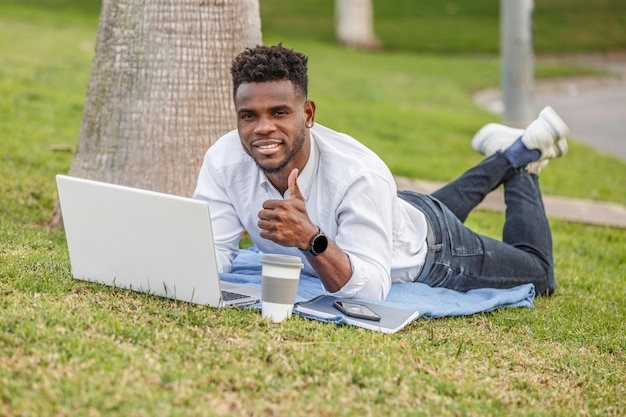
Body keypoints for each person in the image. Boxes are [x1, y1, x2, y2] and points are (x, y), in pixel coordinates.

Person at [194, 44, 569, 301]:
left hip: (436, 254)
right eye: (249, 115)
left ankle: (525, 157)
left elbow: (372, 288)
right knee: (420, 208)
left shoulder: (358, 175)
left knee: (539, 274)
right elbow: (212, 251)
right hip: (399, 211)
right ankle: (511, 152)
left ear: (307, 114)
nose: (262, 129)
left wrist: (311, 239)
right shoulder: (224, 160)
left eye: (278, 113)